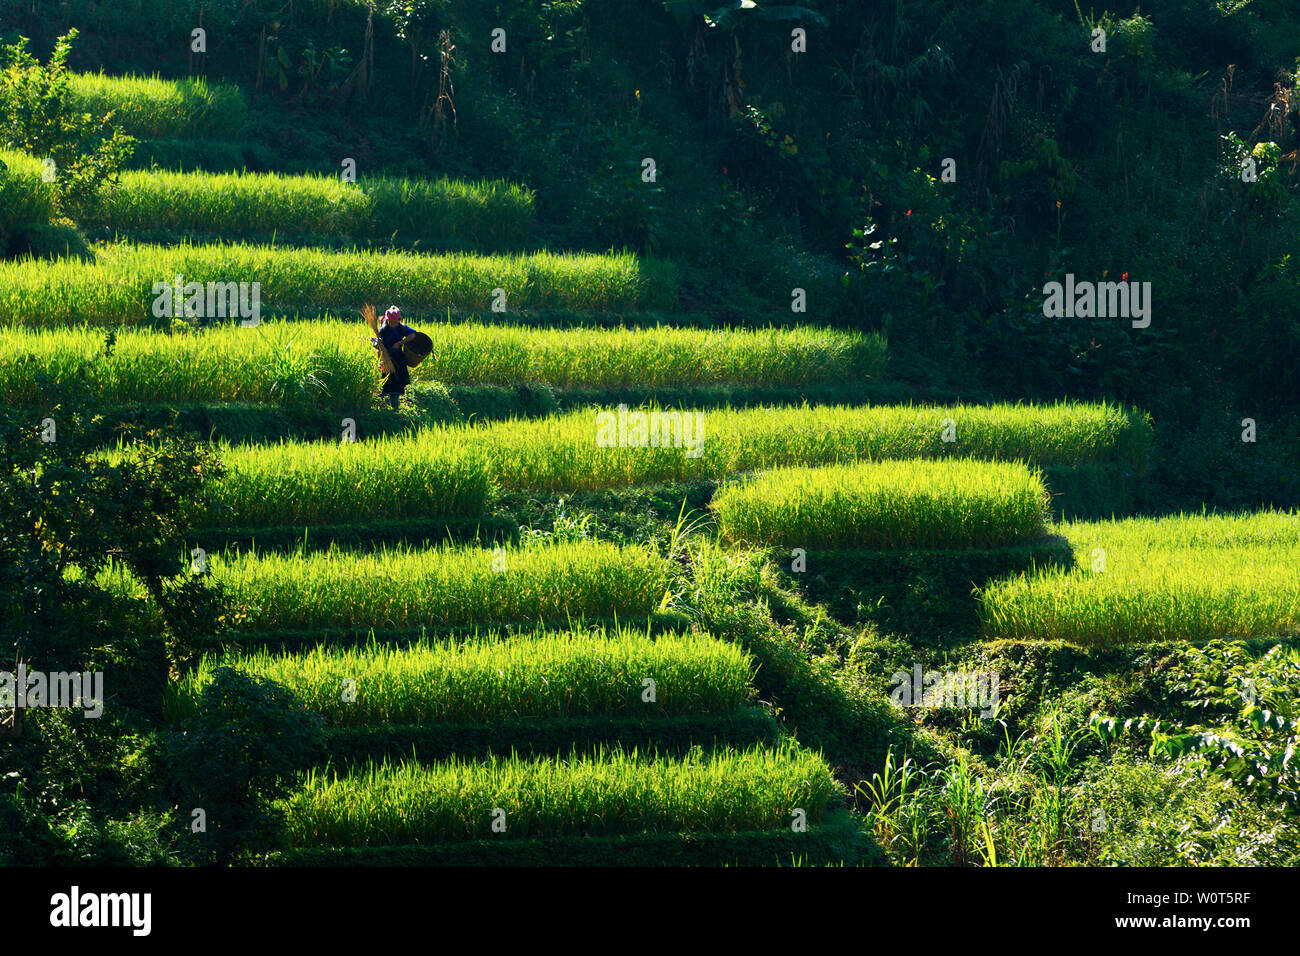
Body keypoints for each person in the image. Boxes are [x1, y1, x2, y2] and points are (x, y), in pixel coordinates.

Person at [373, 305, 418, 410]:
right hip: (387, 358)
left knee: (398, 382)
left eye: (395, 321)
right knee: (389, 382)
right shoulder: (383, 329)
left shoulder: (401, 327)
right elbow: (376, 344)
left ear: (399, 319)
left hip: (398, 358)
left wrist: (400, 343)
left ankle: (395, 407)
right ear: (387, 320)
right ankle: (391, 407)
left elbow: (413, 335)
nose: (393, 324)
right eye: (391, 322)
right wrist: (377, 344)